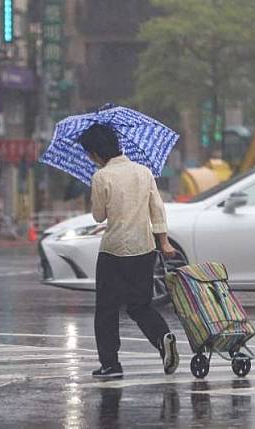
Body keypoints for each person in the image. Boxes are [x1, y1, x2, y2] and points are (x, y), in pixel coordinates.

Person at [80, 123, 179, 379]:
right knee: (140, 306)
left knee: (107, 309)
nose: (90, 158)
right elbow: (157, 209)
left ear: (96, 152)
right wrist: (164, 242)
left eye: (89, 154)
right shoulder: (143, 172)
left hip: (113, 251)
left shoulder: (102, 177)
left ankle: (111, 364)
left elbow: (98, 216)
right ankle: (162, 337)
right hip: (144, 249)